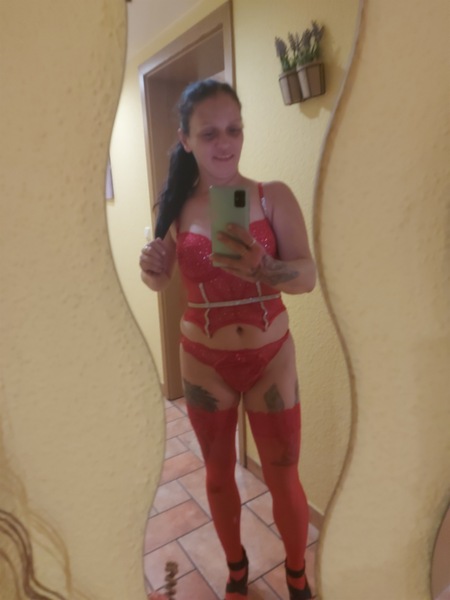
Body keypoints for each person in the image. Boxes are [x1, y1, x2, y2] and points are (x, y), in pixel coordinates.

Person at [139, 79, 316, 600]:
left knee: (283, 474)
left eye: (233, 129)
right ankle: (237, 569)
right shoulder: (175, 208)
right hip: (204, 361)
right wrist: (153, 269)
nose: (225, 142)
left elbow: (307, 277)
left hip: (271, 356)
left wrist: (266, 267)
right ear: (185, 139)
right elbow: (160, 282)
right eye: (209, 132)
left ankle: (297, 575)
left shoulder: (271, 196)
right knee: (217, 475)